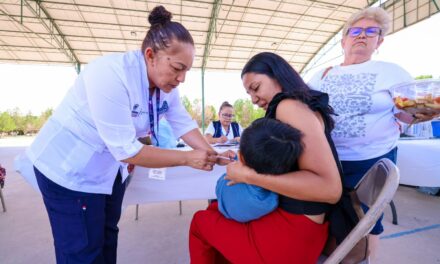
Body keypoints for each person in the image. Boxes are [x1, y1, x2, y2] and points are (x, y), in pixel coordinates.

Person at [19, 6, 232, 264]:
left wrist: (212, 154)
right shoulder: (109, 74)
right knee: (83, 251)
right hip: (72, 173)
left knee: (107, 239)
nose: (182, 78)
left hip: (111, 172)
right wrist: (187, 158)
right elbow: (128, 150)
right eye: (178, 68)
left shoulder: (166, 85)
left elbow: (182, 123)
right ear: (151, 55)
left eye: (187, 70)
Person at [189, 52, 354, 264]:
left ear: (278, 76)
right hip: (304, 228)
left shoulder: (288, 107)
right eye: (248, 93)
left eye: (256, 88)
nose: (253, 99)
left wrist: (248, 175)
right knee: (215, 210)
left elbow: (330, 189)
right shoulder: (300, 104)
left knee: (201, 222)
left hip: (293, 235)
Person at [307, 6, 438, 259]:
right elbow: (307, 111)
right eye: (355, 31)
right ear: (343, 40)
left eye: (370, 31)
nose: (362, 35)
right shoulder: (322, 75)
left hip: (372, 159)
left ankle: (367, 259)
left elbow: (404, 112)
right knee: (325, 214)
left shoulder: (392, 72)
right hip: (327, 159)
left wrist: (420, 114)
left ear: (379, 41)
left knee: (367, 221)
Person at [216, 117, 303, 223]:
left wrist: (237, 161)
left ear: (241, 156)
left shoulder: (228, 183)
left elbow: (219, 185)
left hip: (228, 213)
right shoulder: (272, 198)